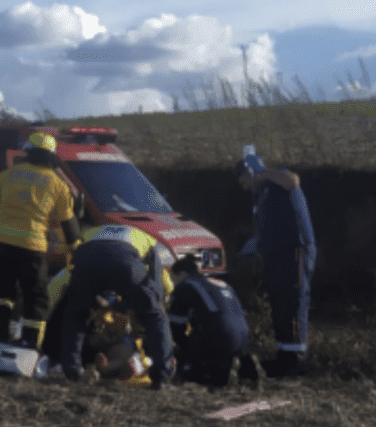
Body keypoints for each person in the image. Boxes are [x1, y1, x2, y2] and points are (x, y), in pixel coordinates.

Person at [0, 132, 81, 350]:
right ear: (52, 156)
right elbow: (69, 223)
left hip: (1, 242)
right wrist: (76, 249)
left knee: (2, 292)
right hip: (31, 247)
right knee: (36, 297)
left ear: (28, 152)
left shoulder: (7, 174)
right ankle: (29, 343)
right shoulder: (57, 184)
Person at [57, 224, 175, 389]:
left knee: (76, 317)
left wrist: (86, 299)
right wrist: (150, 306)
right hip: (126, 264)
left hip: (88, 261)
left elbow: (73, 262)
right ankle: (162, 376)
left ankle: (72, 371)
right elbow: (157, 282)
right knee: (155, 317)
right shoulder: (147, 238)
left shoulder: (90, 232)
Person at [235, 146, 316, 378]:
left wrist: (262, 172)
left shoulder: (277, 179)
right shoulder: (260, 197)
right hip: (277, 255)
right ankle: (284, 356)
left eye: (244, 180)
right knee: (280, 303)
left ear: (251, 173)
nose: (245, 187)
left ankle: (297, 360)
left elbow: (293, 181)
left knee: (294, 300)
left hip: (295, 249)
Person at [168, 254, 252, 386]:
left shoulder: (186, 286)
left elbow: (176, 327)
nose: (173, 284)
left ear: (181, 274)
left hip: (220, 336)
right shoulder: (221, 283)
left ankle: (201, 369)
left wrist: (182, 350)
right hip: (244, 336)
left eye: (173, 279)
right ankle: (229, 363)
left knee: (187, 359)